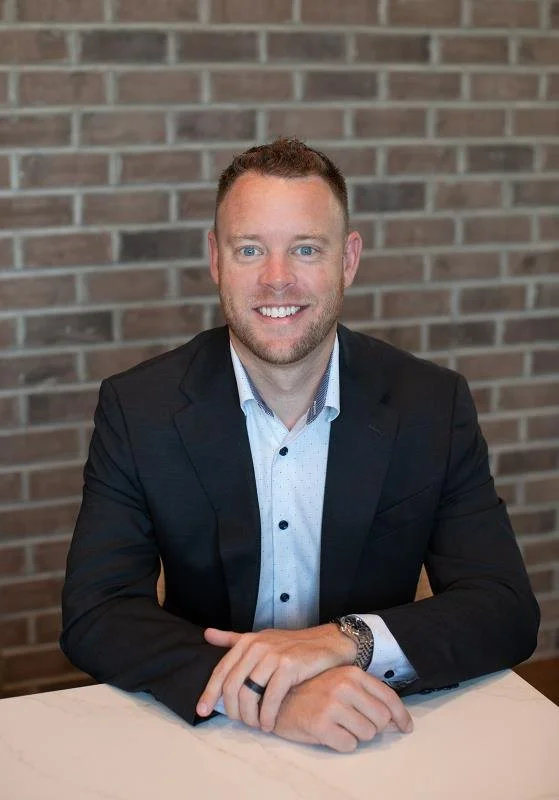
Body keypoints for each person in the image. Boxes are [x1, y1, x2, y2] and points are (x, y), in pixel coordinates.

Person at [61, 138, 539, 753]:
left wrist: (346, 642)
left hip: (374, 729)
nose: (276, 278)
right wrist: (269, 694)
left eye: (306, 249)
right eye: (250, 249)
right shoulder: (139, 408)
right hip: (209, 737)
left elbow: (504, 608)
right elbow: (97, 612)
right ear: (216, 259)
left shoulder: (431, 405)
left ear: (348, 260)